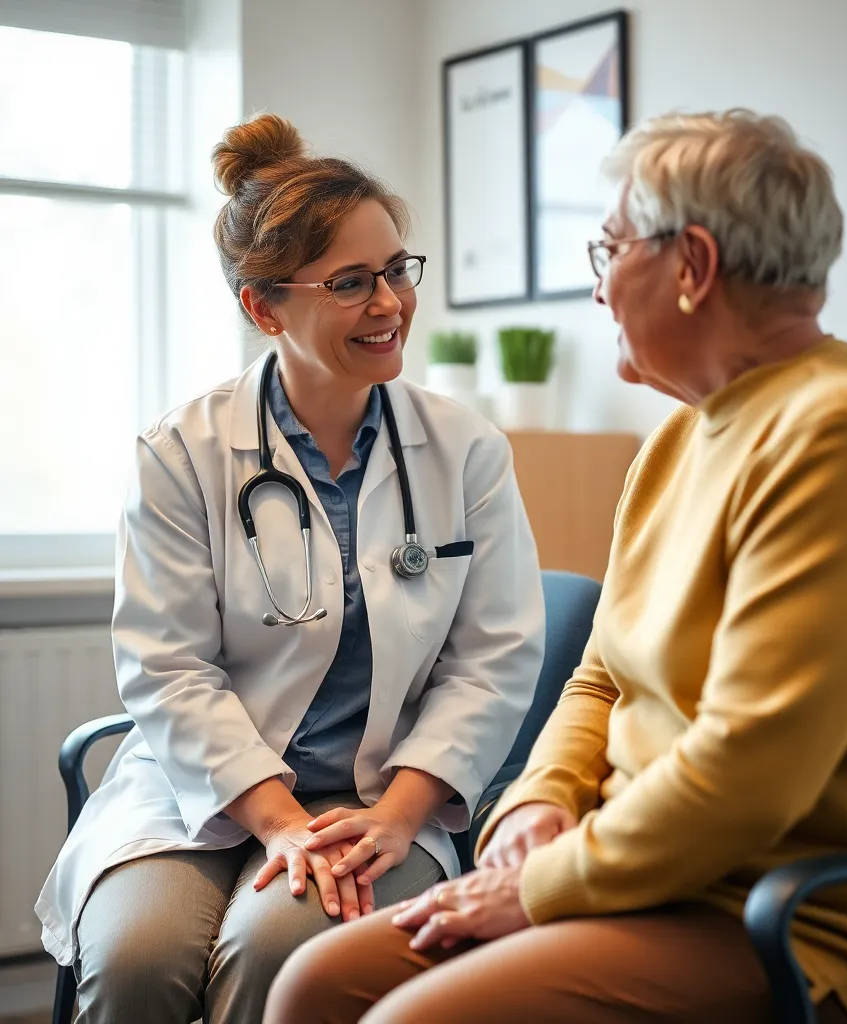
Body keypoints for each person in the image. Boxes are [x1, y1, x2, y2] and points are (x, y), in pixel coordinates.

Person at [263, 109, 847, 1024]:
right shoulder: (678, 441)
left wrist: (542, 887)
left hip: (822, 916)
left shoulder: (841, 440)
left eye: (610, 250)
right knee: (315, 984)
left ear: (692, 267)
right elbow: (601, 679)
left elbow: (749, 770)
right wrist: (539, 804)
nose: (598, 292)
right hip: (657, 876)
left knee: (409, 1020)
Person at [34, 113, 544, 1024]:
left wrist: (399, 814)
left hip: (379, 800)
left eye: (397, 270)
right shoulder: (183, 452)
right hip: (201, 792)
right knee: (136, 958)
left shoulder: (464, 450)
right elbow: (167, 666)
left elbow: (493, 661)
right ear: (264, 308)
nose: (389, 303)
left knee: (274, 951)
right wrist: (276, 819)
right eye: (351, 283)